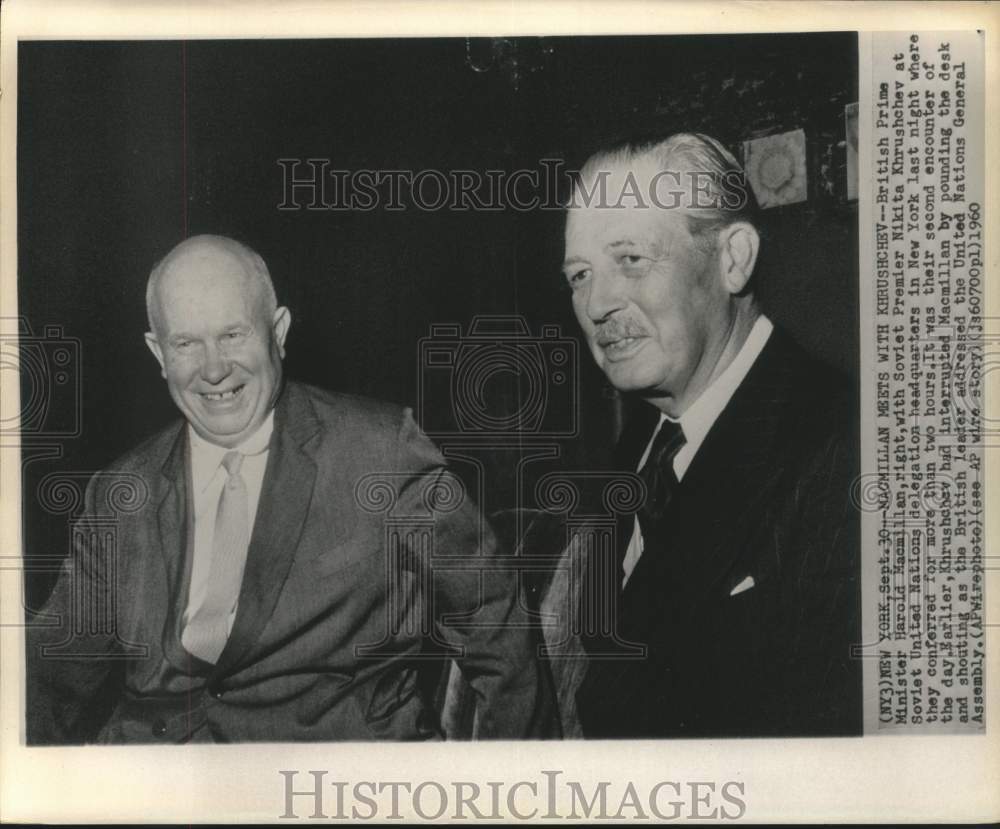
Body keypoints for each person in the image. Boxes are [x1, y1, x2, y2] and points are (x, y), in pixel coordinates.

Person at [26, 234, 551, 743]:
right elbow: (50, 678)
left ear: (277, 331)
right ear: (158, 352)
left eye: (233, 335)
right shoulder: (118, 494)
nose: (213, 368)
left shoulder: (381, 452)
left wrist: (507, 790)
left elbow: (496, 624)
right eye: (186, 342)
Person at [560, 133, 861, 737]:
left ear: (732, 259)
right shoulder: (641, 447)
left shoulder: (845, 449)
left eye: (630, 260)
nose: (596, 304)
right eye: (579, 274)